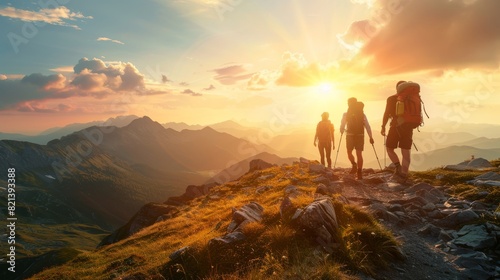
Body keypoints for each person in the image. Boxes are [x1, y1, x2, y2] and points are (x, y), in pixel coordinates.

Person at [381, 80, 412, 183]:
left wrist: (383, 126)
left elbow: (386, 113)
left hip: (395, 127)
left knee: (389, 148)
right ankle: (404, 175)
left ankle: (397, 167)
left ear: (397, 88)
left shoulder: (391, 99)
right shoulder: (412, 98)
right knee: (406, 152)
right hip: (408, 128)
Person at [340, 98, 374, 180]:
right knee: (359, 154)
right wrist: (371, 137)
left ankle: (354, 165)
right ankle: (359, 172)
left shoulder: (346, 114)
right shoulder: (362, 114)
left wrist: (342, 131)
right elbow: (367, 126)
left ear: (349, 104)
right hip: (360, 135)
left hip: (350, 135)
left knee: (349, 152)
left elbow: (342, 125)